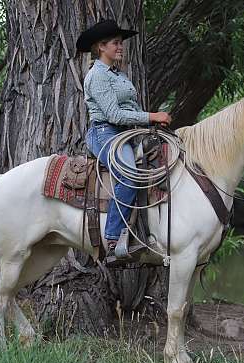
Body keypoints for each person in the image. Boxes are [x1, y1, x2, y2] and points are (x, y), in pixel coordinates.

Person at [76, 20, 171, 259]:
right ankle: (111, 239)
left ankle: (155, 232)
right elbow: (114, 114)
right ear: (101, 47)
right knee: (129, 173)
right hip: (105, 132)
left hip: (128, 134)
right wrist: (151, 116)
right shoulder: (97, 75)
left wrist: (151, 125)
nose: (121, 47)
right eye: (116, 43)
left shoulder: (119, 76)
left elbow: (131, 108)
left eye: (121, 43)